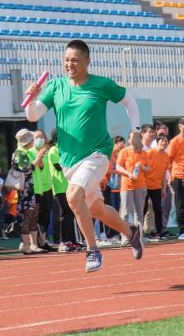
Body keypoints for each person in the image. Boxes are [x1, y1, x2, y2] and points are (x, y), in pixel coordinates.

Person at [25, 39, 143, 272]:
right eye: (67, 60)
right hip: (69, 160)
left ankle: (93, 250)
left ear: (87, 62)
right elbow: (32, 116)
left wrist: (136, 131)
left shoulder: (101, 85)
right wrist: (31, 98)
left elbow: (129, 101)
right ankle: (132, 232)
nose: (70, 64)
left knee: (72, 196)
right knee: (96, 209)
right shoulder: (56, 86)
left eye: (75, 60)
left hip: (97, 154)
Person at [12, 128, 44, 255]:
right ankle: (25, 244)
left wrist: (39, 160)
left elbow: (37, 168)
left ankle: (34, 244)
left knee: (34, 216)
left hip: (33, 188)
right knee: (28, 216)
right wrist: (37, 160)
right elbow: (26, 170)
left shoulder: (27, 152)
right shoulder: (20, 153)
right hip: (26, 190)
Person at [116, 131, 150, 239]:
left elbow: (148, 168)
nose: (135, 140)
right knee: (125, 212)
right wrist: (128, 174)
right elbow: (118, 166)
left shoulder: (144, 153)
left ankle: (138, 236)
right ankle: (125, 237)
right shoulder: (124, 152)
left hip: (140, 186)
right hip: (127, 185)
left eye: (137, 137)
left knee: (139, 213)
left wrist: (142, 167)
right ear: (129, 140)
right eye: (133, 137)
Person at [30, 129, 55, 250]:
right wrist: (38, 160)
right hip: (37, 189)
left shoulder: (48, 152)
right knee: (37, 217)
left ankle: (43, 240)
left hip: (48, 187)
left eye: (41, 137)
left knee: (46, 216)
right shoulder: (31, 152)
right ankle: (41, 241)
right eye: (36, 137)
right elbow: (32, 169)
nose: (39, 139)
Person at [145, 133, 172, 240]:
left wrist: (164, 188)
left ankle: (159, 232)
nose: (164, 143)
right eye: (162, 141)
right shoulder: (150, 153)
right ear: (157, 141)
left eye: (166, 141)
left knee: (158, 209)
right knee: (144, 209)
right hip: (146, 185)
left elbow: (163, 174)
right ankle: (145, 231)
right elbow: (144, 168)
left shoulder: (166, 156)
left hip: (157, 186)